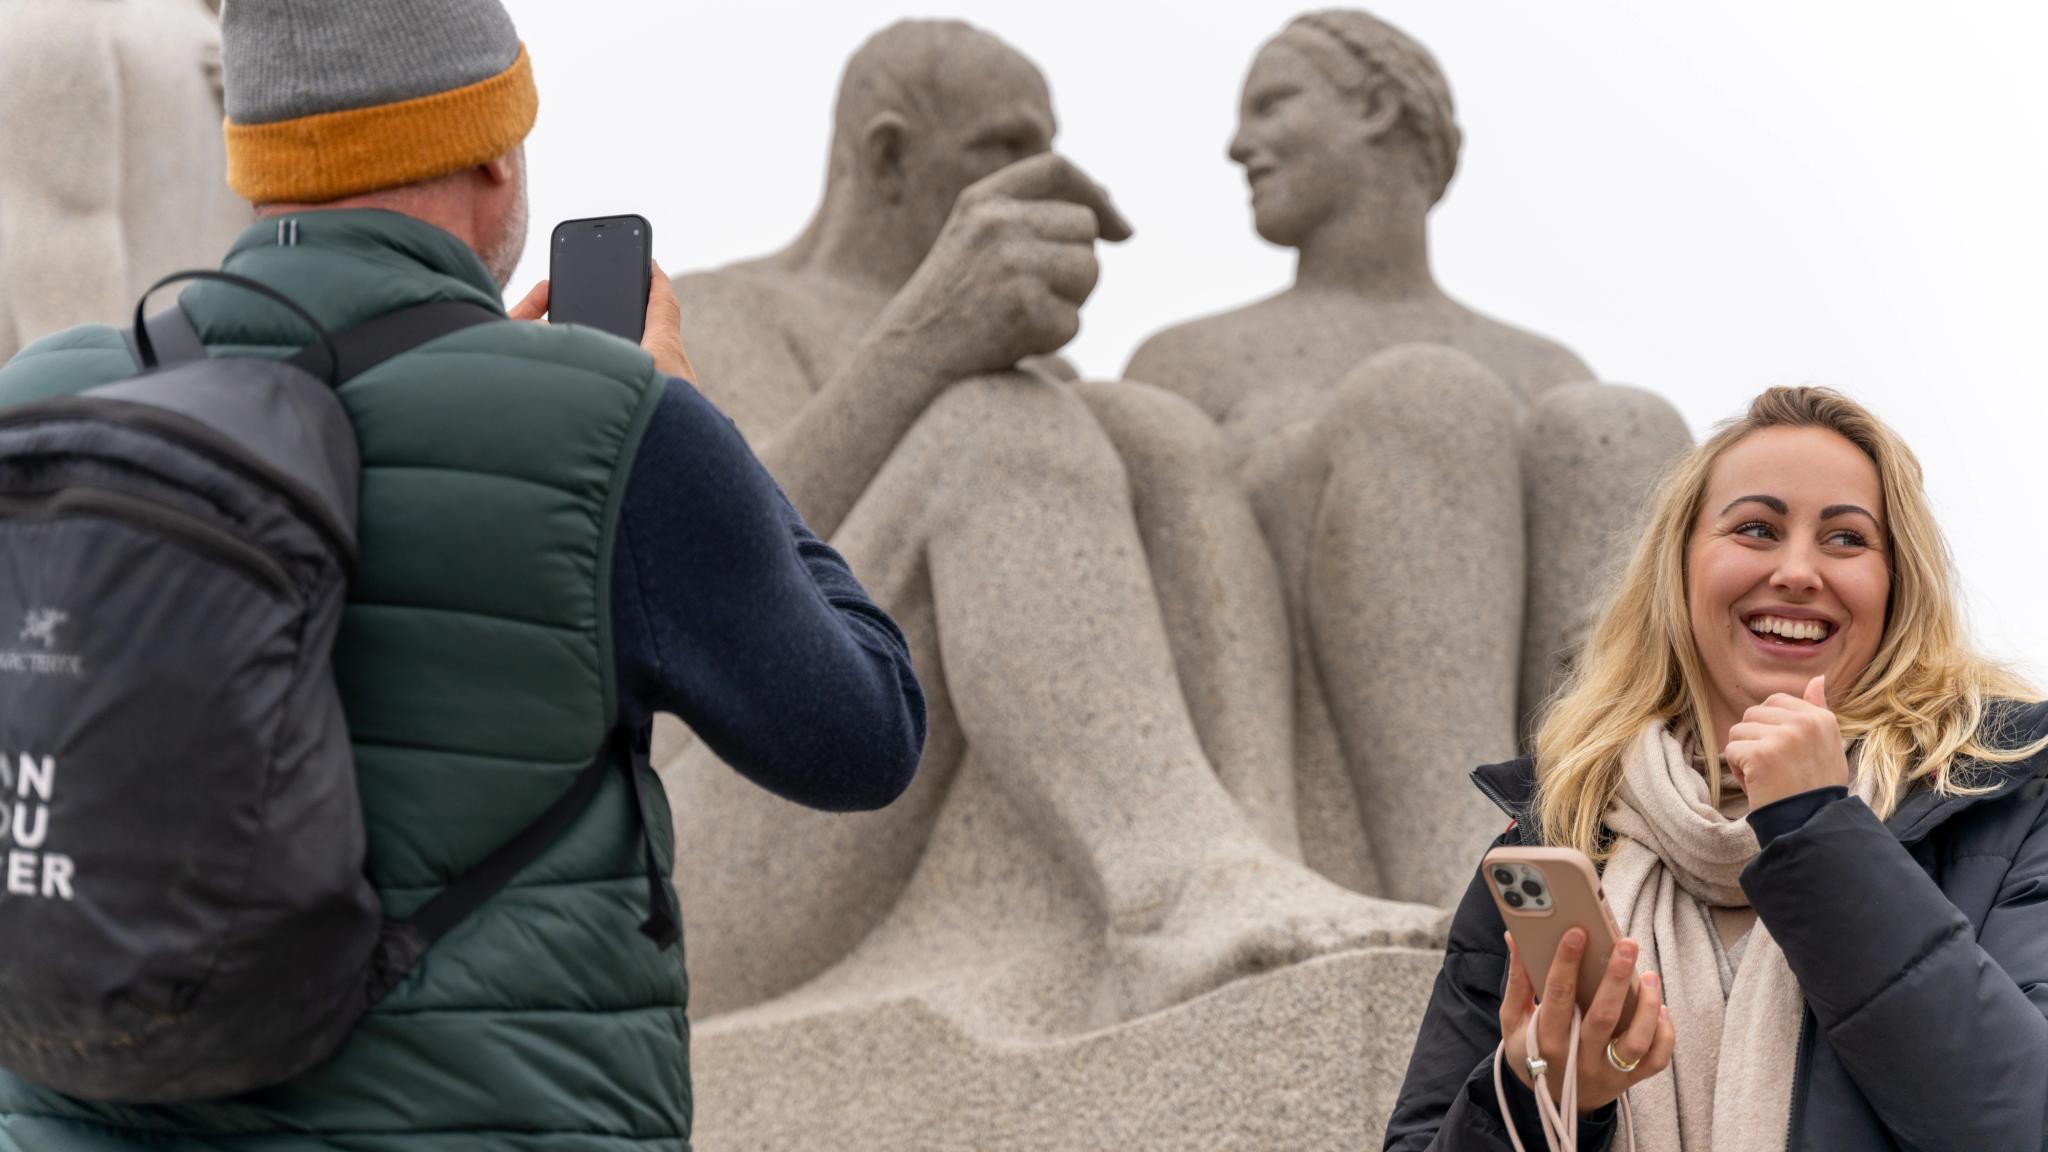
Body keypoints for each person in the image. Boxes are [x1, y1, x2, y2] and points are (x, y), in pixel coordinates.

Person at [0, 2, 923, 1148]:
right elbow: (859, 735)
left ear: (256, 160)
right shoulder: (611, 424)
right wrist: (686, 420)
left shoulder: (45, 399)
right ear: (493, 146)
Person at [660, 17, 1442, 1028]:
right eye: (999, 149)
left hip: (891, 804)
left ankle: (1253, 857)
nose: (1035, 181)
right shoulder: (729, 313)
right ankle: (1169, 890)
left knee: (1147, 426)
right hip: (718, 845)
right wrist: (921, 347)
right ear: (888, 154)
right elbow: (704, 566)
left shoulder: (1048, 390)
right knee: (994, 424)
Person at [1127, 9, 1694, 907]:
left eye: (1272, 105)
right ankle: (1469, 881)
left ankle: (1640, 852)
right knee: (1425, 395)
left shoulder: (1548, 372)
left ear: (1380, 110)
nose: (1240, 145)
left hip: (1575, 788)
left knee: (1618, 422)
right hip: (1316, 779)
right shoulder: (1184, 362)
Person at [1384, 385, 2048, 1151]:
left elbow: (2017, 1123)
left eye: (1845, 540)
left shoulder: (2007, 798)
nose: (1799, 570)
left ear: (1896, 586)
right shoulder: (1559, 829)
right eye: (1757, 529)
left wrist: (1821, 832)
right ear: (1683, 567)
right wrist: (1544, 1092)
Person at [0, 0, 250, 364]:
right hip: (222, 389)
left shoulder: (57, 21)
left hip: (117, 398)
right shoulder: (205, 32)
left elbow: (65, 244)